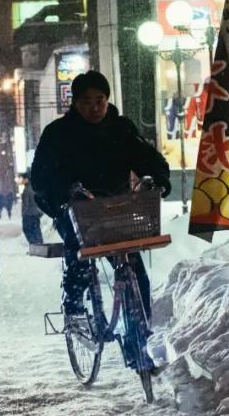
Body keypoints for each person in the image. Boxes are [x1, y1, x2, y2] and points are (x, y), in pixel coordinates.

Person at [31, 70, 171, 318]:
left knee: (137, 275)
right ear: (74, 103)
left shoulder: (121, 129)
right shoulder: (58, 134)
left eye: (100, 101)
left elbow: (146, 158)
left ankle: (140, 340)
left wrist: (159, 180)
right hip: (75, 209)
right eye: (86, 102)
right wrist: (61, 199)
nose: (94, 108)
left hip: (117, 210)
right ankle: (74, 304)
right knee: (79, 255)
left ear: (107, 100)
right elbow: (41, 178)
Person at [20, 173, 43, 245]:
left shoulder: (26, 190)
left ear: (26, 179)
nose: (22, 180)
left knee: (27, 229)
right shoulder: (34, 188)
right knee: (36, 229)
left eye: (23, 178)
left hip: (29, 214)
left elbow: (26, 204)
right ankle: (39, 244)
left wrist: (23, 213)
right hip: (36, 213)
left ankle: (33, 243)